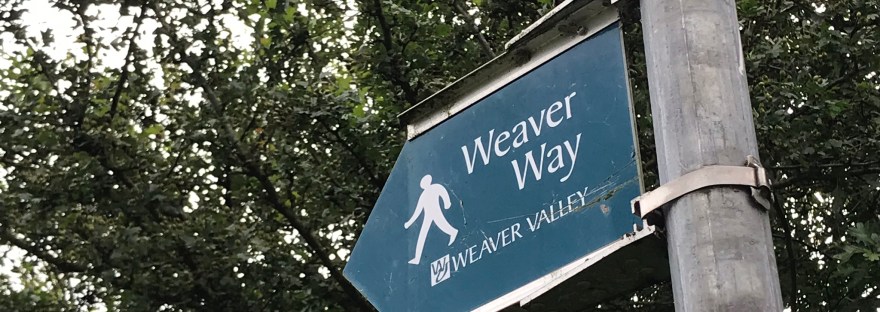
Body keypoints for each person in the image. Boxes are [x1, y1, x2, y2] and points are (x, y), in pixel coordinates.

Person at [404, 174, 458, 265]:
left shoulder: (436, 187)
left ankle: (453, 232)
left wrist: (447, 203)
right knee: (422, 235)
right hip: (428, 216)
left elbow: (443, 192)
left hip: (436, 212)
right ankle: (417, 258)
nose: (423, 184)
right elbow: (418, 210)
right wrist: (409, 223)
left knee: (443, 225)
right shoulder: (423, 195)